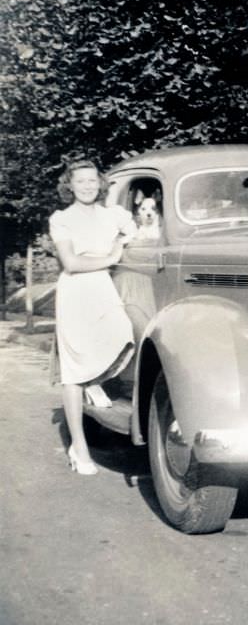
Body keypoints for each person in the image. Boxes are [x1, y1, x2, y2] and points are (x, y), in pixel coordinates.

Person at [49, 159, 137, 475]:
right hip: (75, 293)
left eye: (91, 181)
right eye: (80, 181)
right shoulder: (61, 219)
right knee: (73, 371)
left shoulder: (112, 215)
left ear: (100, 183)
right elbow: (71, 263)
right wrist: (111, 256)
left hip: (103, 289)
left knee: (123, 336)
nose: (87, 186)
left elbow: (136, 231)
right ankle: (79, 447)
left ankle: (94, 381)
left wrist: (120, 241)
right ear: (69, 186)